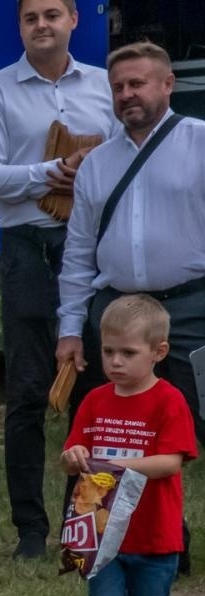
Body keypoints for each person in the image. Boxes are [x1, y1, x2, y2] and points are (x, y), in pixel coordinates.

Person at [0, 0, 116, 560]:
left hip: (93, 246)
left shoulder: (106, 84)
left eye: (52, 14)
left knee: (98, 392)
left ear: (74, 20)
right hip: (29, 247)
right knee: (29, 392)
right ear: (20, 26)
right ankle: (30, 532)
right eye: (31, 17)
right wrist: (50, 172)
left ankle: (85, 524)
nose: (42, 25)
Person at [57, 43, 205, 448]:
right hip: (115, 317)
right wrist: (70, 330)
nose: (126, 95)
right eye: (118, 86)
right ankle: (134, 516)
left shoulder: (201, 143)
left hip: (192, 312)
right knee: (110, 441)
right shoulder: (97, 163)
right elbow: (78, 254)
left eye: (137, 84)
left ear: (168, 84)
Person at [62, 296, 193, 596]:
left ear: (158, 352)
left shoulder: (169, 401)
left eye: (128, 353)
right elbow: (72, 456)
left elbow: (172, 462)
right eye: (108, 352)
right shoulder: (95, 401)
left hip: (155, 538)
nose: (115, 362)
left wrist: (119, 465)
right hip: (102, 538)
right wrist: (75, 455)